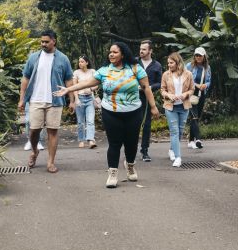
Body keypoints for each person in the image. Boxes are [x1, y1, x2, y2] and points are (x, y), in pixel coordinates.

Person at [55, 42, 160, 188]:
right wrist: (68, 90)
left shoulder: (136, 68)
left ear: (123, 54)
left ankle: (130, 165)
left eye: (115, 52)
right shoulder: (104, 71)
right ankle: (113, 172)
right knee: (114, 143)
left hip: (133, 112)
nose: (111, 54)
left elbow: (146, 88)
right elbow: (86, 83)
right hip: (111, 112)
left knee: (131, 143)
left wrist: (153, 107)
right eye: (110, 52)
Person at [18, 30, 74, 173]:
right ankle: (35, 151)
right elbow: (25, 79)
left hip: (55, 100)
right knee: (34, 130)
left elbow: (69, 80)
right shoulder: (34, 58)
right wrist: (22, 99)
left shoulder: (63, 58)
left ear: (54, 41)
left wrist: (72, 100)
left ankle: (50, 162)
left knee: (53, 131)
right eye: (42, 41)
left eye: (46, 41)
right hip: (35, 99)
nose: (43, 44)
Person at [160, 52, 194, 167]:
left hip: (184, 106)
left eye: (171, 63)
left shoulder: (188, 74)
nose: (169, 65)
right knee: (174, 131)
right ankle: (178, 157)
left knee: (179, 132)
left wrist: (185, 95)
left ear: (178, 62)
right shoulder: (166, 75)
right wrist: (169, 95)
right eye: (168, 63)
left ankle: (171, 150)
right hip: (170, 107)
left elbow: (192, 89)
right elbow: (162, 90)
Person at [138, 40, 162, 162]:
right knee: (134, 124)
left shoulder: (157, 65)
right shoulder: (134, 63)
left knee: (146, 124)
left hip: (148, 98)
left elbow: (160, 83)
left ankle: (145, 150)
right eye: (140, 49)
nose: (141, 51)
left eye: (144, 49)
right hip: (134, 97)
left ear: (150, 51)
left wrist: (150, 87)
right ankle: (130, 150)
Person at [186, 47, 211, 149]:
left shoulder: (207, 68)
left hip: (201, 95)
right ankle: (198, 139)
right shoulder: (189, 66)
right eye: (196, 55)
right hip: (191, 94)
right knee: (194, 116)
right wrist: (196, 85)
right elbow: (185, 79)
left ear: (204, 56)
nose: (198, 57)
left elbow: (209, 80)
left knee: (196, 118)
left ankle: (191, 141)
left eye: (200, 55)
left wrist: (206, 85)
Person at [73, 55, 97, 149]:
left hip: (90, 98)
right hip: (80, 98)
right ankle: (81, 140)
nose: (80, 63)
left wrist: (91, 88)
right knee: (80, 122)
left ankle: (91, 140)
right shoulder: (76, 72)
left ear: (87, 62)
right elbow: (74, 87)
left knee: (90, 121)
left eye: (82, 61)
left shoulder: (93, 71)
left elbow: (97, 84)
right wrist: (76, 99)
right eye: (79, 62)